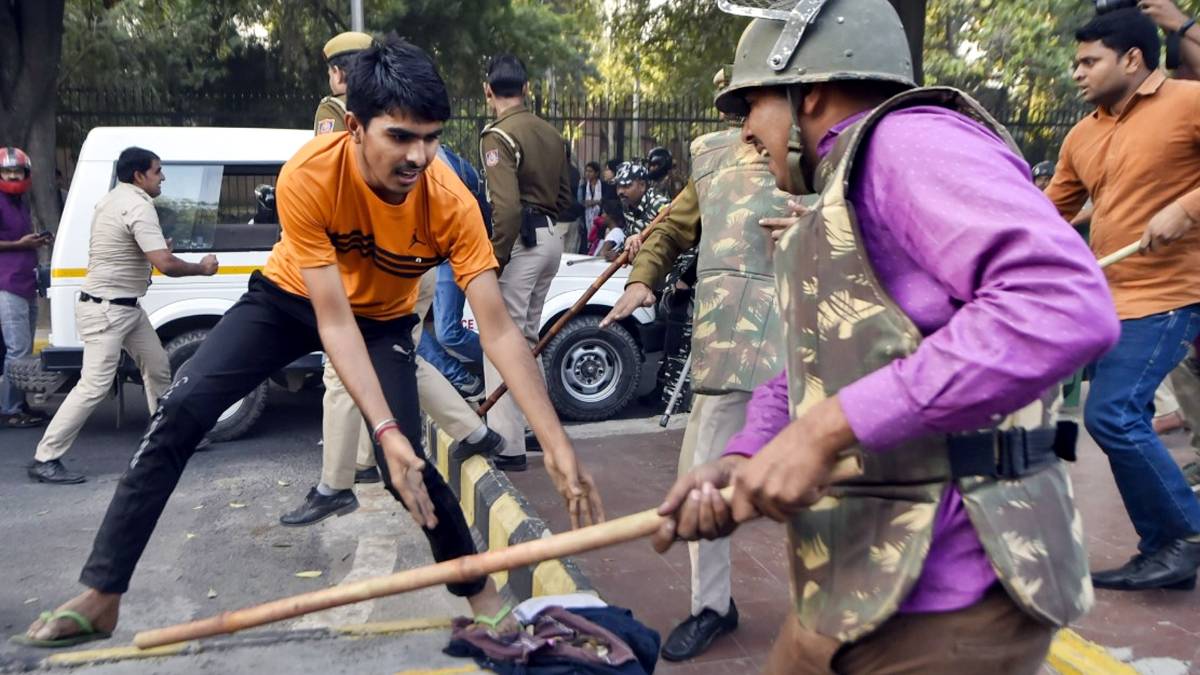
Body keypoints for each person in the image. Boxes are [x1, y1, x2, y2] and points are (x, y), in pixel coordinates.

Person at [19, 36, 601, 648]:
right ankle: (102, 592)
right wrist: (384, 428)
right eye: (399, 137)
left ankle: (482, 594)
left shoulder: (450, 202)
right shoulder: (311, 173)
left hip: (381, 321)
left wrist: (555, 443)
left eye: (430, 138)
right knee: (180, 410)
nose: (419, 157)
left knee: (408, 468)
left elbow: (500, 329)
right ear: (355, 127)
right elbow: (330, 320)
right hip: (287, 302)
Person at [653, 2, 1118, 672]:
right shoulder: (837, 190)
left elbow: (1061, 303)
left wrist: (825, 429)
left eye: (749, 105)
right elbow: (827, 355)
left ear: (805, 92)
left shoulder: (907, 143)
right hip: (863, 584)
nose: (744, 131)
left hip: (953, 595)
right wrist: (750, 452)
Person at [603, 112, 789, 662]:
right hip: (730, 342)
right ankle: (712, 606)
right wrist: (642, 279)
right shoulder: (712, 155)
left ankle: (835, 603)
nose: (750, 117)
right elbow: (672, 226)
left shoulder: (836, 148)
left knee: (826, 477)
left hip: (809, 343)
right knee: (702, 475)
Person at [1045, 8, 1200, 591]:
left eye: (1090, 61)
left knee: (1113, 413)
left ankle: (1182, 537)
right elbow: (1047, 212)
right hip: (1107, 297)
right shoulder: (1082, 133)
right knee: (1097, 412)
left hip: (1171, 292)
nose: (1078, 73)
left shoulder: (1189, 101)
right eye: (1077, 62)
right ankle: (1167, 548)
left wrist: (1185, 209)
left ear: (1132, 59)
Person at [28, 148, 217, 485]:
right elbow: (166, 265)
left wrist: (156, 250)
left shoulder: (114, 199)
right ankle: (46, 457)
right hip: (108, 310)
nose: (163, 177)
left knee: (158, 366)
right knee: (93, 386)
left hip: (125, 309)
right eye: (158, 171)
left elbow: (132, 248)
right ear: (138, 176)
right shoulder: (138, 205)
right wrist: (202, 269)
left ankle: (168, 436)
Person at [478, 53, 572, 472]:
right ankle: (536, 428)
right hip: (551, 238)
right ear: (527, 89)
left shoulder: (497, 136)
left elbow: (507, 209)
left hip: (522, 242)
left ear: (488, 91)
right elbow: (568, 199)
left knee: (500, 340)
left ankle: (508, 445)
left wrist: (495, 257)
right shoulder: (551, 133)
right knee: (528, 339)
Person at [0, 147, 51, 429]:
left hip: (25, 281)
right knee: (17, 350)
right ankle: (9, 409)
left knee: (24, 349)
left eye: (16, 171)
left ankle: (20, 404)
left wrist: (36, 242)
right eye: (7, 171)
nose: (12, 175)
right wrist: (20, 245)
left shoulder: (20, 201)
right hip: (7, 283)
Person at [313, 31, 373, 135]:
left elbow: (330, 150)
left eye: (330, 74)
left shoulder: (333, 108)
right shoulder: (393, 102)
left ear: (337, 74)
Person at [614, 162, 669, 237]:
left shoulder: (658, 204)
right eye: (618, 186)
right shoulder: (628, 205)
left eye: (626, 186)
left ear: (642, 185)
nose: (620, 192)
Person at [580, 161, 604, 242]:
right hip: (586, 220)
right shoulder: (583, 187)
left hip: (600, 220)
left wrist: (590, 202)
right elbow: (582, 203)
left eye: (590, 171)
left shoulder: (603, 186)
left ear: (597, 173)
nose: (587, 173)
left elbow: (604, 202)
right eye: (586, 171)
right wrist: (597, 202)